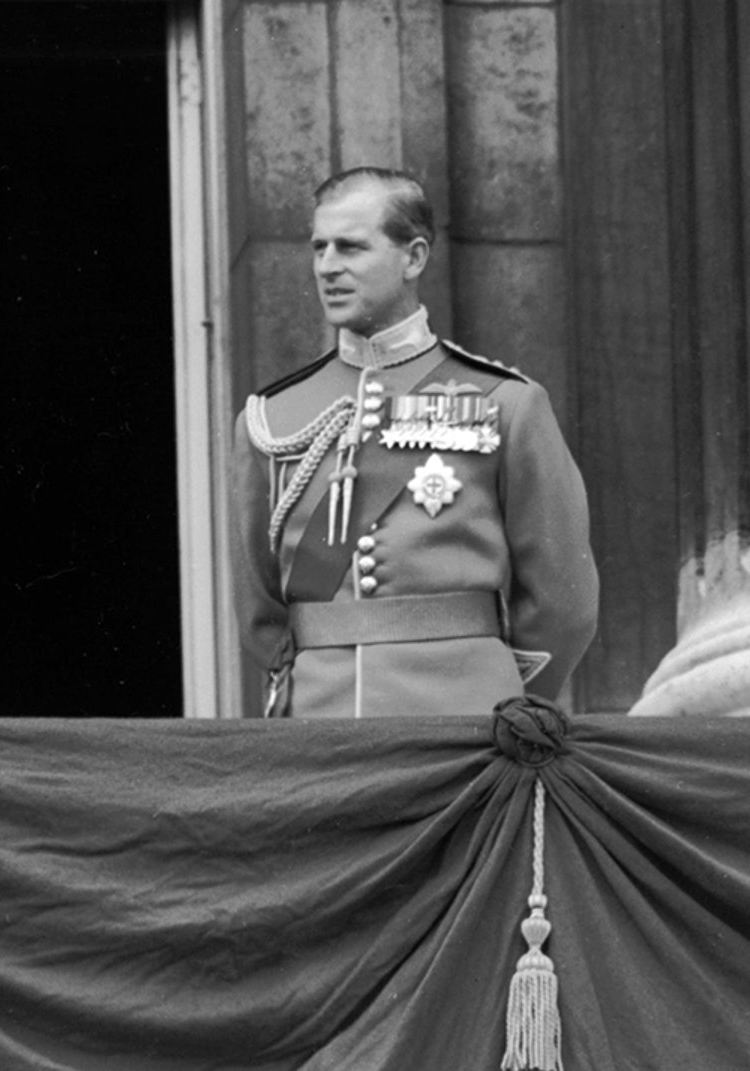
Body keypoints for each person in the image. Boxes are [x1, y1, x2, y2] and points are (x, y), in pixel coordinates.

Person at [230, 166, 599, 718]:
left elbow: (561, 601)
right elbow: (260, 606)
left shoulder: (505, 403)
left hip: (465, 724)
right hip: (318, 726)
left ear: (414, 257)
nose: (328, 266)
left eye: (351, 247)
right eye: (319, 247)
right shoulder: (272, 419)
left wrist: (507, 707)